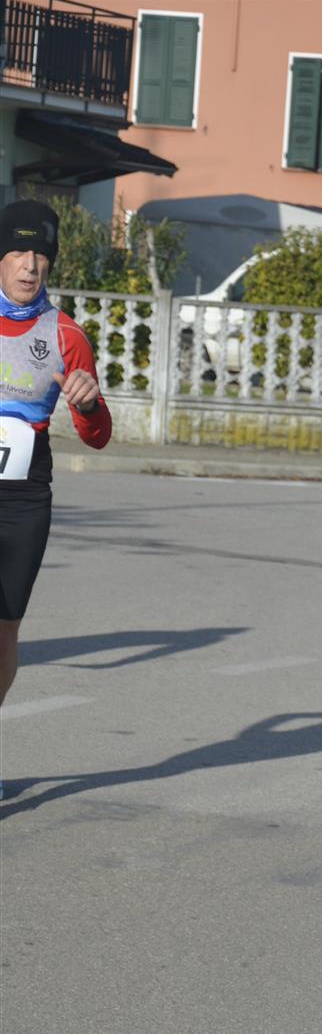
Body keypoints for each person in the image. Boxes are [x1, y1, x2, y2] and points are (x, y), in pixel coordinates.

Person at [0, 199, 112, 753]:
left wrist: (88, 405)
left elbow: (98, 435)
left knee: (3, 629)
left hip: (23, 495)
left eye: (41, 254)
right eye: (18, 251)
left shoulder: (66, 334)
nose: (30, 265)